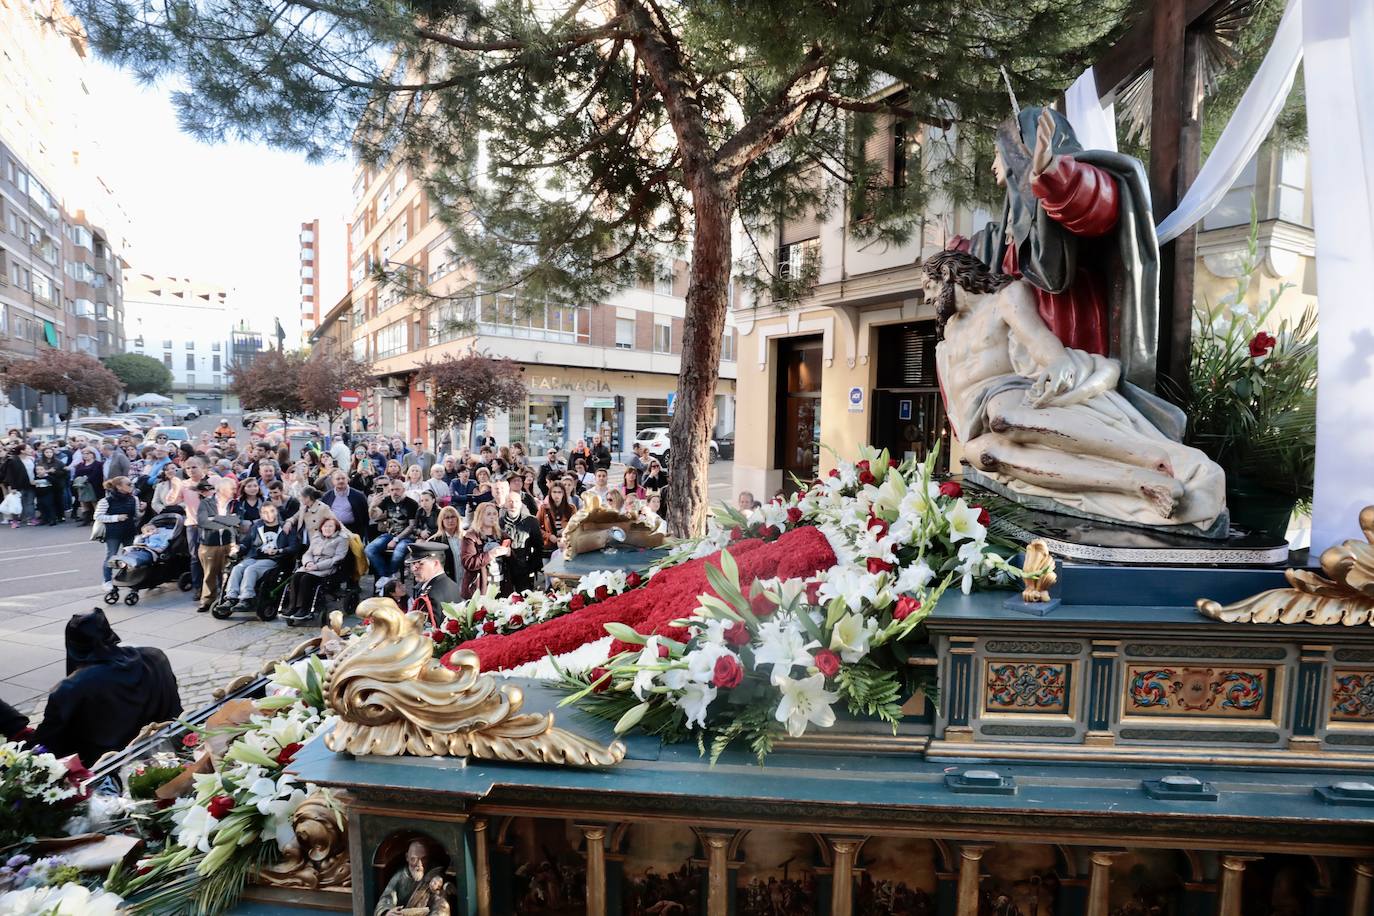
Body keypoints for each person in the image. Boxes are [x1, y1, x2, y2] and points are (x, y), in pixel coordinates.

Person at [925, 249, 1224, 529]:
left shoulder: (1005, 296)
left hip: (1003, 390)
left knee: (1004, 419)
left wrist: (1056, 362)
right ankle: (1136, 482)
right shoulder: (951, 327)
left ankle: (1148, 456)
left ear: (949, 274)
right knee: (985, 454)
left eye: (930, 286)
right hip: (974, 421)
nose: (927, 298)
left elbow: (1036, 336)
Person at [30, 609, 181, 767]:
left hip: (110, 769)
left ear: (73, 646)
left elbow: (47, 742)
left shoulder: (70, 688)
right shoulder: (155, 656)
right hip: (171, 745)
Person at [223, 501, 293, 607]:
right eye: (265, 512)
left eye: (272, 511)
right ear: (260, 514)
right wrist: (238, 549)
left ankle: (246, 598)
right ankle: (231, 597)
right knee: (237, 568)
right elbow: (246, 542)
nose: (269, 514)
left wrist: (279, 551)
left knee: (251, 569)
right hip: (255, 556)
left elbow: (294, 546)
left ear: (277, 511)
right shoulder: (257, 526)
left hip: (273, 559)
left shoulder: (285, 527)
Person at [283, 517, 350, 621]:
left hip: (327, 568)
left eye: (330, 526)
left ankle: (304, 608)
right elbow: (308, 553)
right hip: (311, 565)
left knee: (306, 579)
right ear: (321, 528)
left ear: (336, 528)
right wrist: (308, 563)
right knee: (296, 576)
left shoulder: (341, 539)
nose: (327, 528)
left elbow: (338, 558)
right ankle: (292, 607)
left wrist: (317, 566)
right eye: (325, 526)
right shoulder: (316, 537)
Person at [196, 477, 241, 612]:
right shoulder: (205, 503)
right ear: (221, 489)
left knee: (227, 573)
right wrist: (226, 521)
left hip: (228, 543)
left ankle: (224, 598)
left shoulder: (235, 504)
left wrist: (215, 518)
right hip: (209, 544)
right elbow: (203, 522)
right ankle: (207, 600)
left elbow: (237, 520)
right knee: (209, 573)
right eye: (231, 488)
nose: (234, 491)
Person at [366, 477, 419, 584]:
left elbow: (411, 526)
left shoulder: (411, 503)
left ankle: (387, 578)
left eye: (397, 489)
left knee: (398, 552)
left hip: (407, 536)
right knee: (369, 549)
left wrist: (396, 539)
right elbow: (373, 516)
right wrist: (373, 505)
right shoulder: (387, 500)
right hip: (390, 533)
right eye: (392, 490)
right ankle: (387, 577)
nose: (395, 492)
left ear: (403, 490)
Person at [498, 485, 543, 595]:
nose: (513, 504)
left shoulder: (531, 522)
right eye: (510, 501)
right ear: (505, 504)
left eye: (516, 501)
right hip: (505, 569)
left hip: (524, 568)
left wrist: (531, 567)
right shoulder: (498, 523)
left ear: (521, 504)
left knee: (525, 601)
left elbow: (538, 547)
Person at [405, 541, 462, 627]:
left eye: (420, 564)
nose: (413, 569)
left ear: (435, 564)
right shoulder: (452, 585)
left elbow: (426, 631)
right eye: (413, 564)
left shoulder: (431, 594)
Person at [95, 477, 139, 587]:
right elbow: (97, 516)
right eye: (128, 484)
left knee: (130, 556)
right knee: (111, 556)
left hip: (129, 531)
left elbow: (136, 515)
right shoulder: (106, 501)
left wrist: (142, 510)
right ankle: (107, 581)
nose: (131, 486)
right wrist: (116, 518)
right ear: (119, 487)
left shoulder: (134, 499)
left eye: (132, 484)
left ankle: (128, 579)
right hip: (113, 533)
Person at [459, 502, 508, 598]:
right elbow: (468, 562)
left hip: (501, 585)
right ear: (480, 516)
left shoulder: (502, 535)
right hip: (480, 588)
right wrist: (490, 555)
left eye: (495, 514)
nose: (492, 517)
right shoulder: (471, 536)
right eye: (488, 514)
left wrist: (510, 554)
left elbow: (512, 563)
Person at [320, 469, 368, 538]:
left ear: (347, 480)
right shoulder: (327, 496)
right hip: (334, 531)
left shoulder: (359, 496)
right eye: (338, 479)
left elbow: (365, 516)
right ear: (332, 481)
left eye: (343, 478)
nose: (341, 481)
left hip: (353, 530)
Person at [1, 444, 38, 527]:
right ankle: (15, 521)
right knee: (16, 503)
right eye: (28, 448)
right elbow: (10, 475)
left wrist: (36, 480)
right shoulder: (13, 460)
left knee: (30, 502)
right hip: (18, 485)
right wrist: (12, 487)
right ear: (22, 451)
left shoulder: (31, 459)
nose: (31, 450)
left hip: (31, 484)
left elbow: (34, 472)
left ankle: (31, 519)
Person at [425, 506, 465, 580]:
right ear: (441, 521)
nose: (450, 520)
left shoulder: (466, 537)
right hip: (447, 582)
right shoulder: (434, 541)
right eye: (447, 518)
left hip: (465, 581)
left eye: (453, 517)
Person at [34, 445, 68, 526]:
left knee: (58, 500)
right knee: (44, 502)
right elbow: (37, 471)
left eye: (50, 452)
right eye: (46, 452)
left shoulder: (58, 462)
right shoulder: (40, 461)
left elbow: (65, 472)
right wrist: (44, 472)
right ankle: (45, 518)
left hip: (56, 484)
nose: (48, 454)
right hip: (44, 485)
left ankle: (60, 516)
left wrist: (54, 472)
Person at [537, 480, 575, 551]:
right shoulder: (544, 508)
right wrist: (549, 536)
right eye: (554, 492)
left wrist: (566, 530)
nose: (556, 495)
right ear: (550, 493)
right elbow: (536, 527)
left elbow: (576, 526)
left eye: (559, 492)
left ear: (563, 493)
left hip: (566, 544)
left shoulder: (571, 508)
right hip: (549, 545)